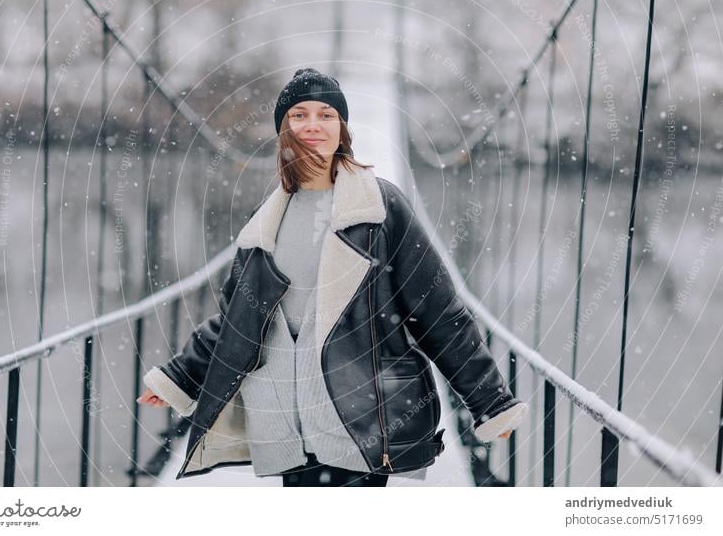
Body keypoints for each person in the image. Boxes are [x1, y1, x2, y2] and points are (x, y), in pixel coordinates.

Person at [137, 67, 527, 487]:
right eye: (299, 115)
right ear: (283, 129)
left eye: (326, 114)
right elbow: (238, 320)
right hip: (287, 422)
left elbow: (438, 312)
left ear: (342, 128)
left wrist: (489, 402)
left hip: (358, 418)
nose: (313, 125)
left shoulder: (379, 209)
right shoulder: (264, 223)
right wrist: (180, 377)